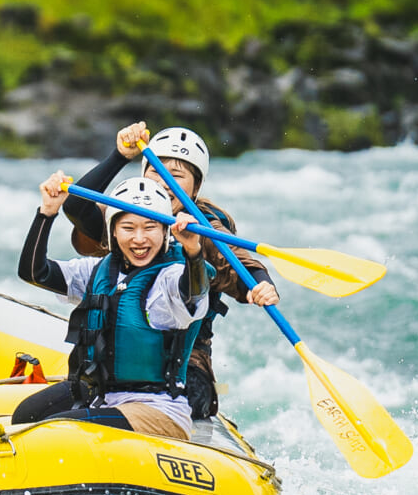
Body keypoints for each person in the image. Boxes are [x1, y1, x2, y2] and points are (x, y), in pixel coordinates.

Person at [60, 122, 279, 419]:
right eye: (155, 171)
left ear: (196, 187)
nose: (164, 182)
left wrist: (261, 284)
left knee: (190, 391)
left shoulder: (204, 227)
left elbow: (244, 265)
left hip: (180, 367)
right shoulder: (124, 210)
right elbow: (77, 206)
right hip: (115, 357)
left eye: (176, 176)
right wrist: (119, 156)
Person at [14, 172, 209, 441]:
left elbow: (193, 292)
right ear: (113, 232)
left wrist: (193, 252)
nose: (139, 239)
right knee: (25, 416)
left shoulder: (171, 277)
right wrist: (47, 213)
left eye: (150, 227)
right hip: (103, 396)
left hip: (157, 409)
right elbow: (34, 272)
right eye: (128, 228)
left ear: (165, 232)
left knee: (57, 431)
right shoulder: (97, 272)